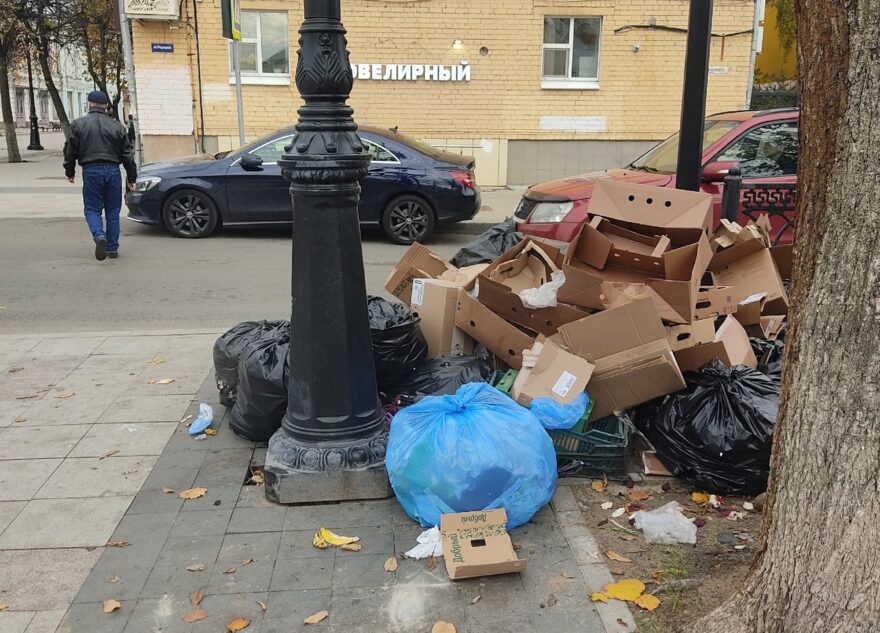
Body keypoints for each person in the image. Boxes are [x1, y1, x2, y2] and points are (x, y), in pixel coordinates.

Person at [63, 91, 137, 261]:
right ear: (106, 106)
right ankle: (112, 249)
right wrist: (132, 178)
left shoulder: (78, 124)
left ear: (89, 103)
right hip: (113, 171)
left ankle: (99, 236)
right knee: (113, 211)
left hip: (91, 170)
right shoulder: (117, 126)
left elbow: (70, 150)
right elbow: (128, 155)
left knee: (92, 209)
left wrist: (70, 172)